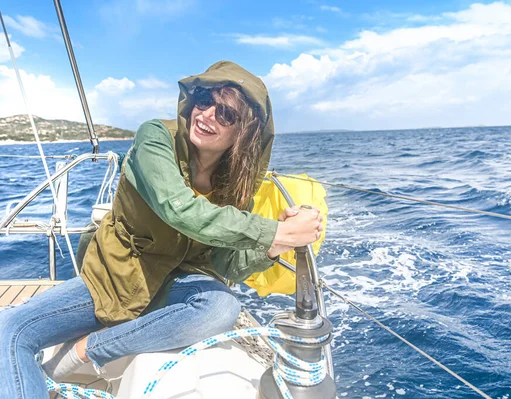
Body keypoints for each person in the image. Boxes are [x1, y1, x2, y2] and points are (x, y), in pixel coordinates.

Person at [0, 60, 323, 398]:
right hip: (115, 276)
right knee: (10, 328)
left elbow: (227, 265)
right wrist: (271, 232)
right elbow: (178, 208)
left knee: (221, 307)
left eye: (226, 112)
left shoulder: (238, 184)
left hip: (175, 285)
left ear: (247, 130)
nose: (207, 114)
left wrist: (272, 246)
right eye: (203, 100)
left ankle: (88, 349)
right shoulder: (155, 138)